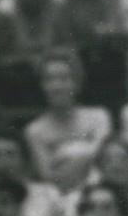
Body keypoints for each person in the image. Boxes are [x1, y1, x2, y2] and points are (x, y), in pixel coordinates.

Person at [24, 48, 112, 193]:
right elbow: (49, 180)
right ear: (42, 86)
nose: (56, 86)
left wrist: (64, 156)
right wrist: (89, 153)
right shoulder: (35, 131)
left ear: (77, 83)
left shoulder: (99, 117)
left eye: (64, 78)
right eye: (49, 79)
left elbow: (106, 161)